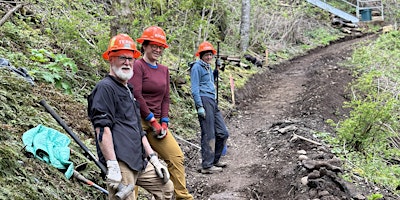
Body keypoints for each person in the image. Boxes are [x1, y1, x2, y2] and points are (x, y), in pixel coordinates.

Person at [87, 33, 174, 200]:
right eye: (121, 58)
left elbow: (138, 129)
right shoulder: (105, 88)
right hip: (121, 161)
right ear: (110, 59)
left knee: (166, 188)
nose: (127, 62)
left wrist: (153, 158)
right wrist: (112, 164)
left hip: (139, 159)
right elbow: (102, 129)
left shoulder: (128, 90)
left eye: (130, 58)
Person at [128, 26, 194, 200]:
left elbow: (165, 97)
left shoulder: (164, 70)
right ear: (145, 46)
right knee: (134, 163)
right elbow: (137, 95)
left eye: (160, 47)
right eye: (153, 46)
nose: (157, 50)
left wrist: (164, 122)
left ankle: (182, 196)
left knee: (176, 157)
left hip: (157, 122)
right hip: (139, 121)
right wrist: (152, 121)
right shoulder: (138, 65)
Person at [190, 41, 229, 174]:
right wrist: (199, 105)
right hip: (204, 100)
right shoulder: (196, 67)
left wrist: (216, 70)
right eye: (206, 55)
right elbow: (195, 88)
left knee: (223, 132)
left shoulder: (207, 67)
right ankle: (207, 165)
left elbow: (210, 81)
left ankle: (215, 160)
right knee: (209, 133)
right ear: (201, 55)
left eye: (210, 55)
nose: (209, 57)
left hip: (212, 101)